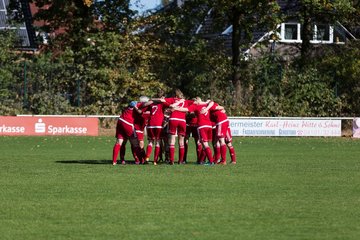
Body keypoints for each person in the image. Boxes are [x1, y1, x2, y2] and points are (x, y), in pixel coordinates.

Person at [173, 97, 217, 165]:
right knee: (205, 144)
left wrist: (176, 108)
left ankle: (211, 162)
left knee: (204, 144)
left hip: (202, 126)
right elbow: (212, 102)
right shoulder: (206, 104)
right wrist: (207, 109)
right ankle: (202, 161)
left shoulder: (195, 106)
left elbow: (185, 109)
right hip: (209, 126)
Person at [164, 89, 194, 164]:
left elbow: (162, 100)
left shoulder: (172, 99)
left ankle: (171, 160)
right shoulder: (186, 101)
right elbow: (196, 102)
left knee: (172, 140)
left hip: (173, 119)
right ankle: (180, 161)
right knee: (181, 141)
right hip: (182, 121)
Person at [143, 91, 170, 165]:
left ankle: (147, 158)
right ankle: (155, 161)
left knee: (150, 142)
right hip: (158, 125)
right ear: (162, 97)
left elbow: (144, 106)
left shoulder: (151, 103)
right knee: (158, 142)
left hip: (150, 124)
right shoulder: (162, 103)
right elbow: (170, 105)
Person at [112, 101, 143, 165]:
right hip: (128, 123)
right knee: (135, 143)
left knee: (120, 142)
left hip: (120, 121)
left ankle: (115, 161)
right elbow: (140, 112)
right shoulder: (137, 105)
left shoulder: (128, 107)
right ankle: (140, 160)